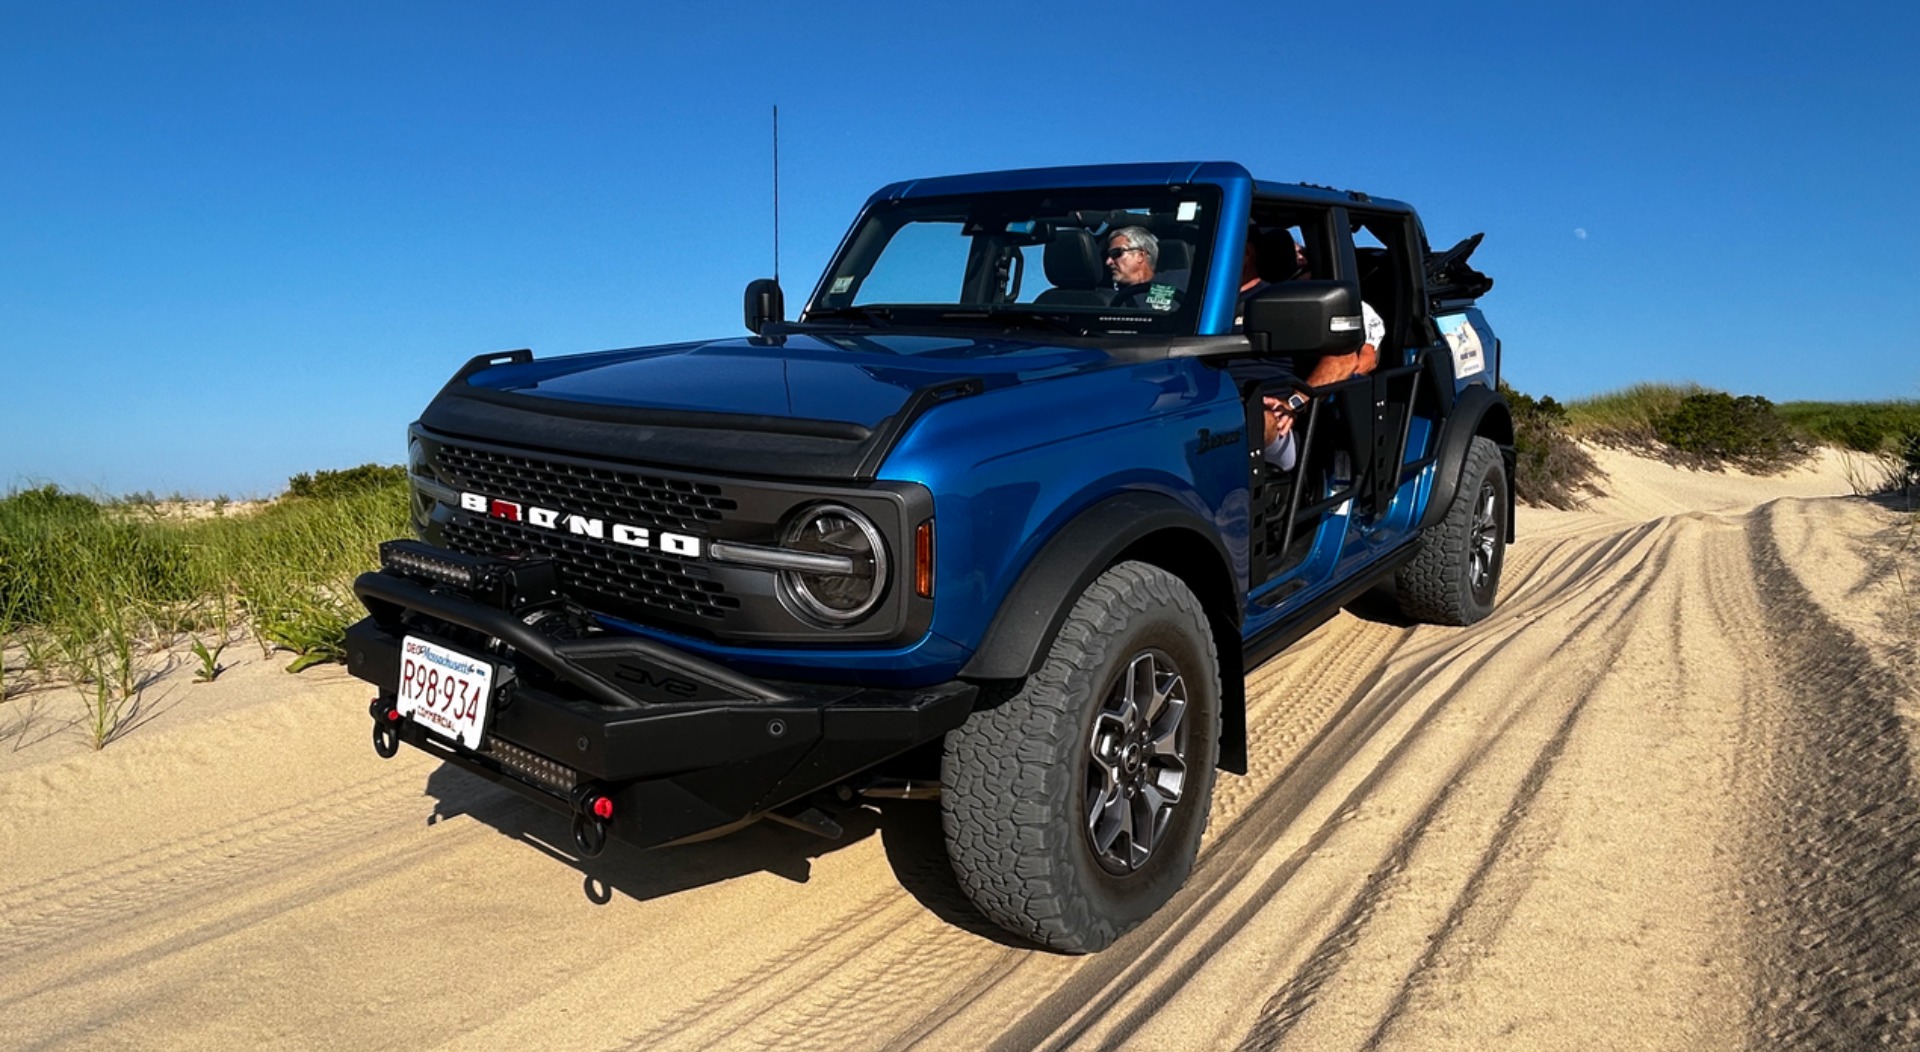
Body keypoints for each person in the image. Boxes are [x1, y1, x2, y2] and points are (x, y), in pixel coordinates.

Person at [1240, 226, 1384, 467]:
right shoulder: (1195, 305)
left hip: (1266, 417)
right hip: (1203, 404)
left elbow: (1348, 359)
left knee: (1250, 418)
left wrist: (1294, 404)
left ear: (1246, 253)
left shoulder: (1289, 303)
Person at [1106, 226, 1183, 311]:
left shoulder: (1181, 279)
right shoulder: (1108, 299)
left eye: (1116, 253)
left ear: (1140, 256)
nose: (1108, 261)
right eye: (1109, 255)